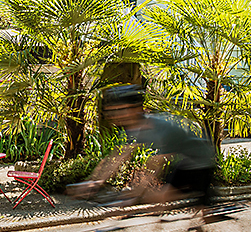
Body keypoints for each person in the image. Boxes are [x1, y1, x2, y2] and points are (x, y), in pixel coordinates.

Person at [71, 85, 216, 207]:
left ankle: (203, 212)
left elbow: (155, 165)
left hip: (200, 160)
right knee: (156, 198)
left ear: (135, 109)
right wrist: (94, 182)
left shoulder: (158, 127)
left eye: (123, 109)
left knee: (161, 197)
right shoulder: (132, 129)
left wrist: (137, 193)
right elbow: (118, 156)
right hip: (183, 160)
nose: (117, 115)